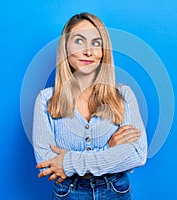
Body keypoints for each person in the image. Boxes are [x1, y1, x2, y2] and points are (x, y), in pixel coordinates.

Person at [32, 12, 147, 200]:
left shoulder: (123, 95)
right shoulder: (46, 100)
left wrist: (68, 163)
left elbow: (137, 154)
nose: (88, 51)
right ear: (65, 48)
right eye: (79, 41)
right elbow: (48, 163)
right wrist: (110, 149)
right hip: (68, 193)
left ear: (103, 51)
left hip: (116, 192)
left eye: (96, 43)